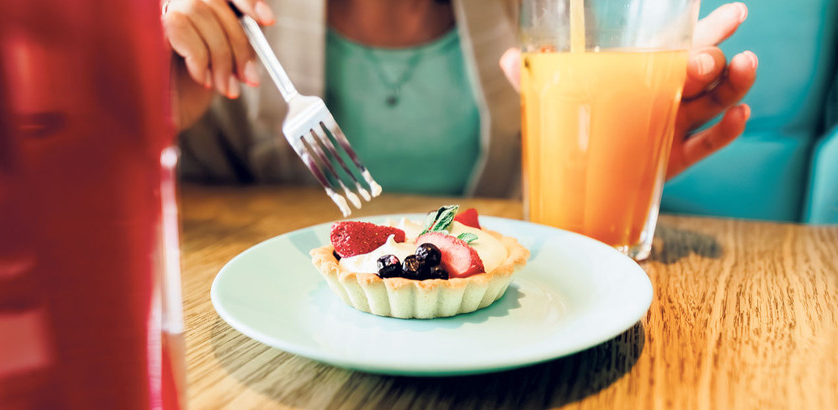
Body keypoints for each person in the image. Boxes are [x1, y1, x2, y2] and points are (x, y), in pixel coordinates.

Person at [162, 0, 757, 200]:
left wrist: (609, 167)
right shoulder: (233, 18)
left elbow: (556, 215)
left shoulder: (546, 19)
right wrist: (148, 108)